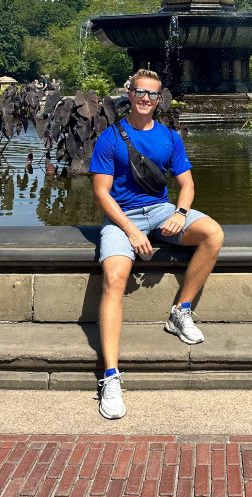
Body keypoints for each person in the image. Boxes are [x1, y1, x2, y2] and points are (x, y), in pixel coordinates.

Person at [89, 69, 224, 419]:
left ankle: (180, 311)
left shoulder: (170, 137)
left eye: (153, 94)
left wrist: (181, 211)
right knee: (115, 278)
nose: (146, 99)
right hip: (122, 217)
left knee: (213, 234)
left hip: (162, 211)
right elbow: (102, 194)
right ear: (129, 93)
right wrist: (131, 231)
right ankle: (111, 377)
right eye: (140, 92)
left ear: (159, 99)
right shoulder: (110, 138)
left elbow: (188, 183)